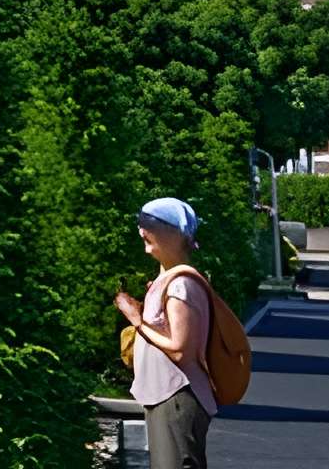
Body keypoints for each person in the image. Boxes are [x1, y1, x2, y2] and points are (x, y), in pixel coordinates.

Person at [113, 196, 217, 467]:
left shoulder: (181, 284)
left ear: (174, 233)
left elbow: (180, 349)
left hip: (176, 396)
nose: (141, 230)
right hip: (166, 396)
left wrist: (137, 321)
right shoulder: (168, 280)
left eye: (149, 224)